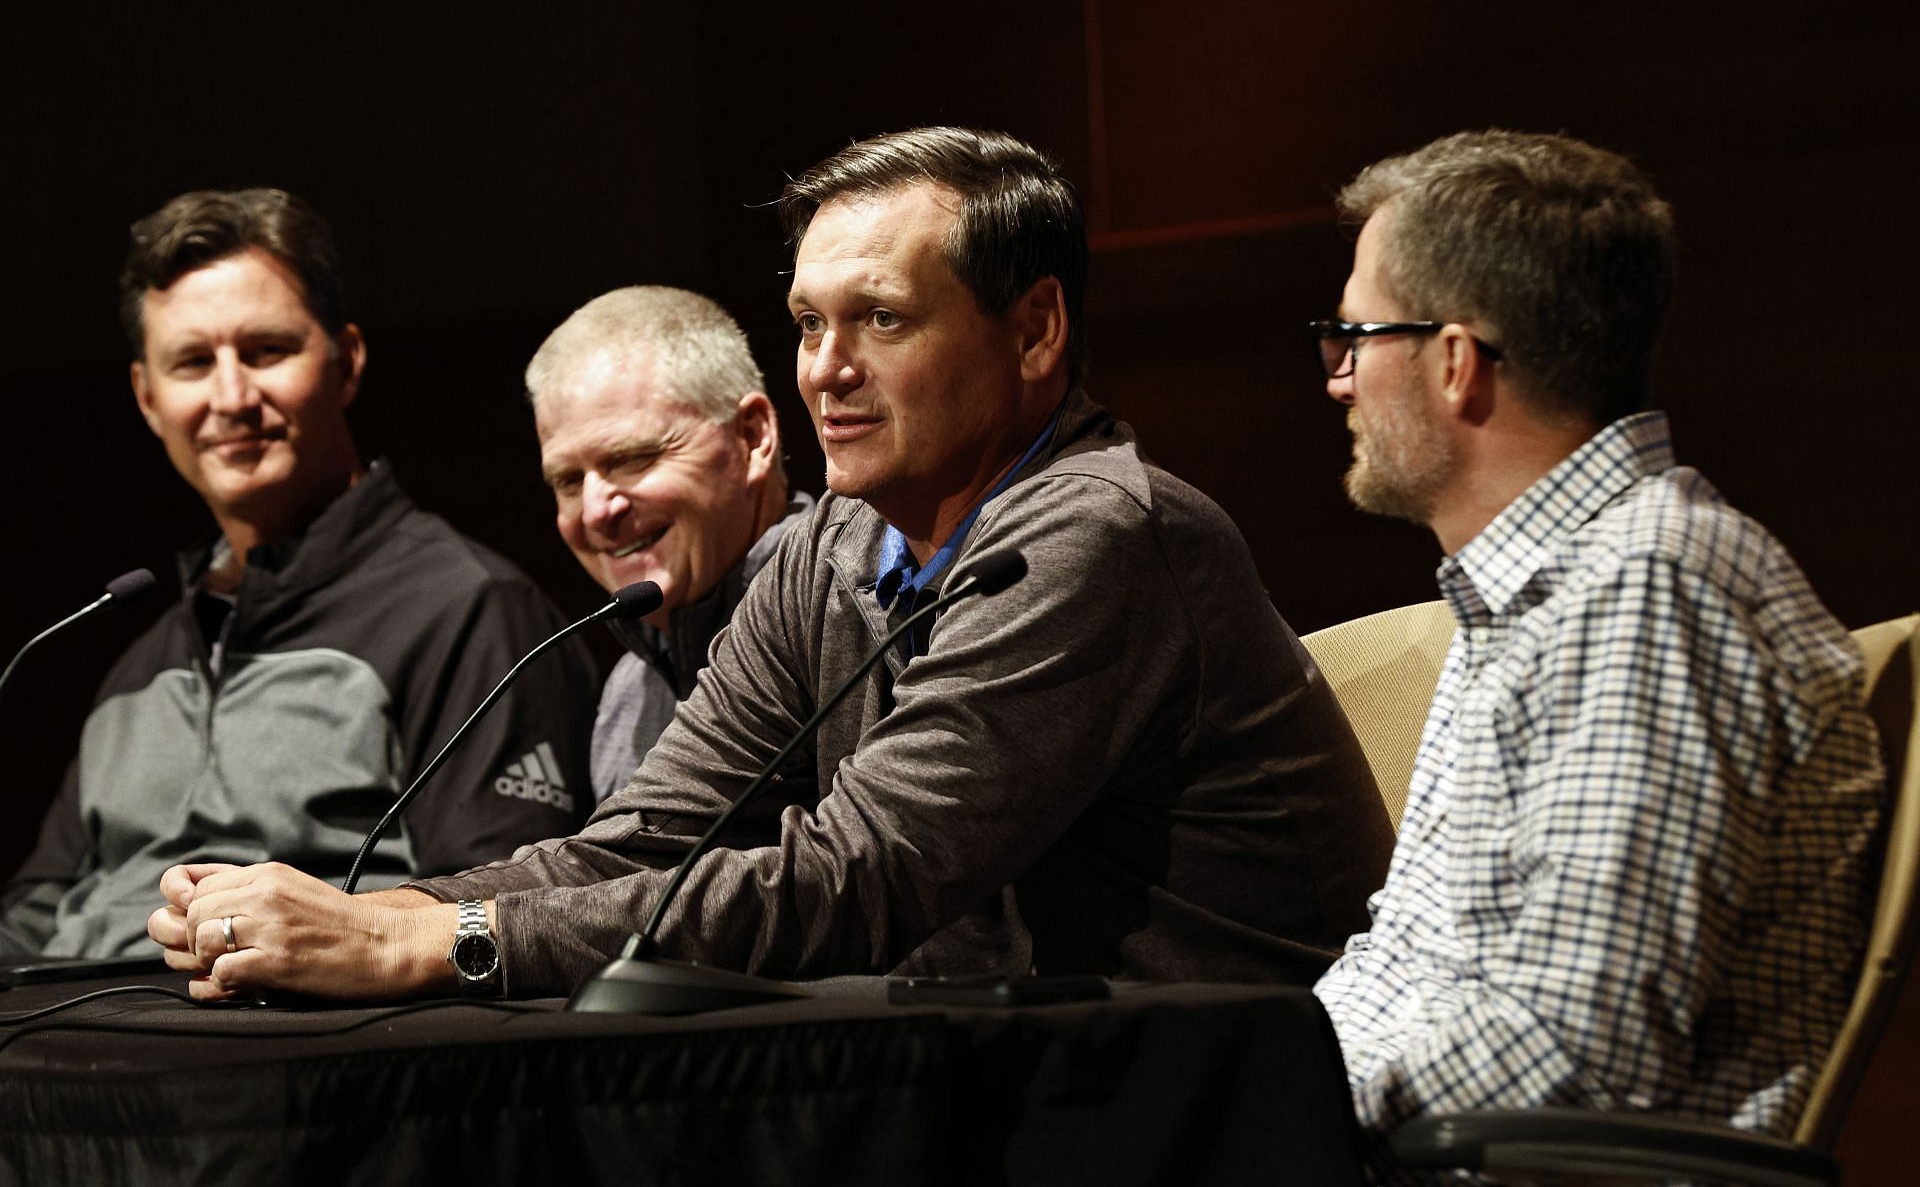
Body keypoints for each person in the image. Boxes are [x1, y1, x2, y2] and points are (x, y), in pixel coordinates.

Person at [148, 127, 1393, 1000]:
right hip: (1010, 1086)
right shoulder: (832, 549)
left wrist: (427, 945)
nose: (825, 369)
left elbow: (859, 873)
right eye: (807, 324)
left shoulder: (1100, 532)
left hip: (1210, 1094)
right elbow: (641, 837)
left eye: (882, 319)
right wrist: (371, 912)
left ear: (1034, 330)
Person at [1304, 131, 1884, 1166]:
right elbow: (1403, 965)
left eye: (1356, 336)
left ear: (1453, 361)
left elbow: (1575, 1040)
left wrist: (1264, 1105)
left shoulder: (1650, 589)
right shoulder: (1545, 590)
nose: (1340, 378)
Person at [0, 189, 598, 958]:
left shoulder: (470, 609)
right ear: (148, 399)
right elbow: (34, 915)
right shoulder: (135, 660)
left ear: (347, 363)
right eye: (192, 363)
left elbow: (493, 918)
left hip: (285, 1056)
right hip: (72, 1057)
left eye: (266, 351)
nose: (231, 396)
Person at [525, 286, 811, 802]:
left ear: (752, 437)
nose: (595, 512)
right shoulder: (626, 696)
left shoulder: (849, 616)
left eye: (631, 458)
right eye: (568, 481)